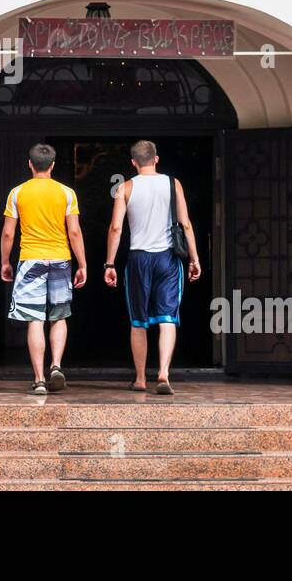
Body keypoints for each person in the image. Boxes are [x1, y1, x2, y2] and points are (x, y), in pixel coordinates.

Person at [104, 140, 201, 394]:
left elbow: (116, 228)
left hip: (138, 259)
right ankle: (163, 373)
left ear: (133, 162)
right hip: (167, 258)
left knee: (138, 320)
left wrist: (109, 263)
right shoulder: (173, 183)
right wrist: (195, 259)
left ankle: (140, 379)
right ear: (156, 159)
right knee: (168, 317)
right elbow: (186, 224)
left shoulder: (125, 188)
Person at [1, 143, 88, 394]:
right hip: (61, 259)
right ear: (52, 165)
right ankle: (56, 365)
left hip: (30, 260)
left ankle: (39, 379)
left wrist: (5, 261)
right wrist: (82, 263)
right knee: (59, 316)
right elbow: (74, 231)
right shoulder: (67, 193)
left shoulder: (17, 193)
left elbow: (8, 233)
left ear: (30, 164)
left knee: (35, 320)